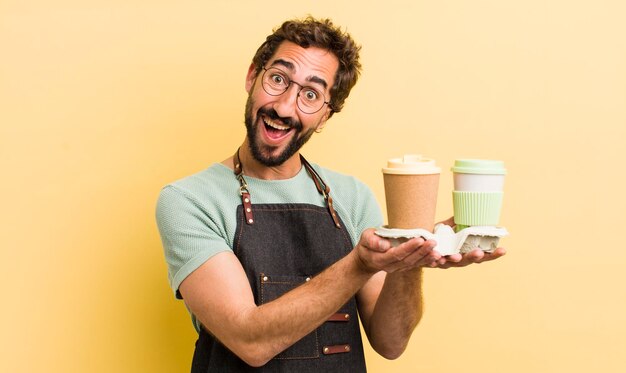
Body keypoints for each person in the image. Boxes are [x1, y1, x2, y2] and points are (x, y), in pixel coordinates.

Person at [156, 16, 505, 372]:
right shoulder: (189, 200)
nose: (284, 106)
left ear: (325, 116)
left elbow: (390, 342)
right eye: (278, 79)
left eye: (311, 94)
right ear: (252, 77)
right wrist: (360, 264)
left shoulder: (352, 197)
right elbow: (250, 342)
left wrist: (409, 257)